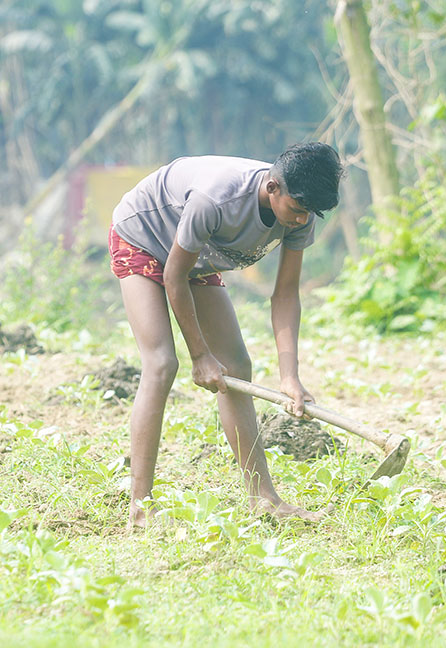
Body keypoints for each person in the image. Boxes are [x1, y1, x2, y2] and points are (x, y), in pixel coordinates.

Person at [109, 141, 344, 528]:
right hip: (144, 236)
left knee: (236, 366)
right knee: (162, 363)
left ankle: (263, 499)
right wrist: (200, 355)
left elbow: (285, 294)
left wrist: (290, 377)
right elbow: (173, 276)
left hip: (196, 255)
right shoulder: (216, 200)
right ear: (273, 188)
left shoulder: (301, 212)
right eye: (298, 211)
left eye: (310, 214)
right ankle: (140, 506)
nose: (302, 221)